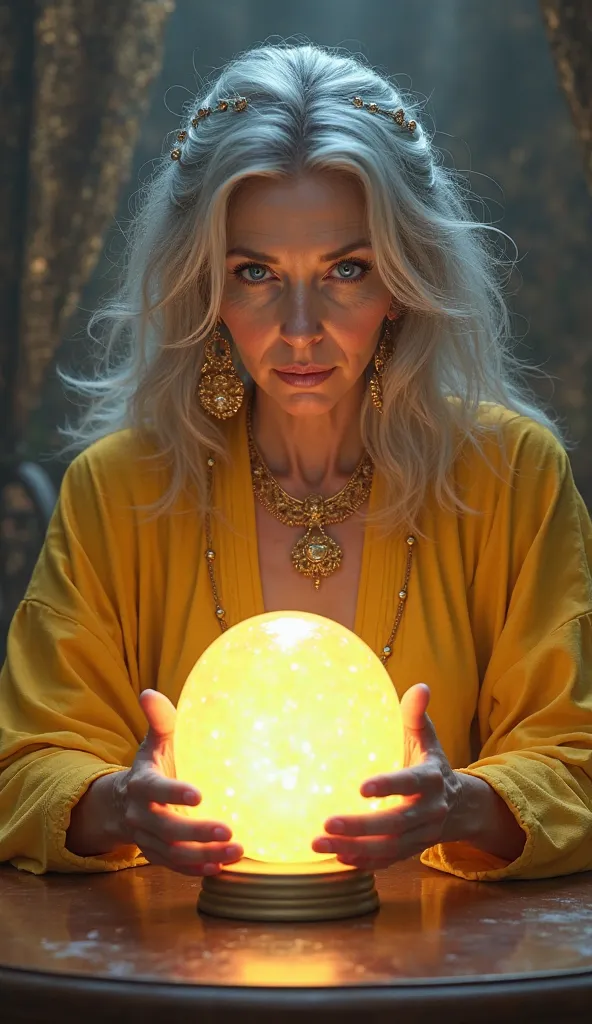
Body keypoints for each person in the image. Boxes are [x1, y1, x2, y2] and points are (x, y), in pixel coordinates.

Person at [1, 41, 591, 882]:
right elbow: (23, 765)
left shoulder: (510, 477)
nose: (302, 326)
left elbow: (576, 757)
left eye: (346, 269)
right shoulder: (117, 490)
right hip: (175, 976)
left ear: (403, 280)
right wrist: (113, 804)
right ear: (204, 286)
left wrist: (464, 805)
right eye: (256, 273)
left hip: (446, 978)